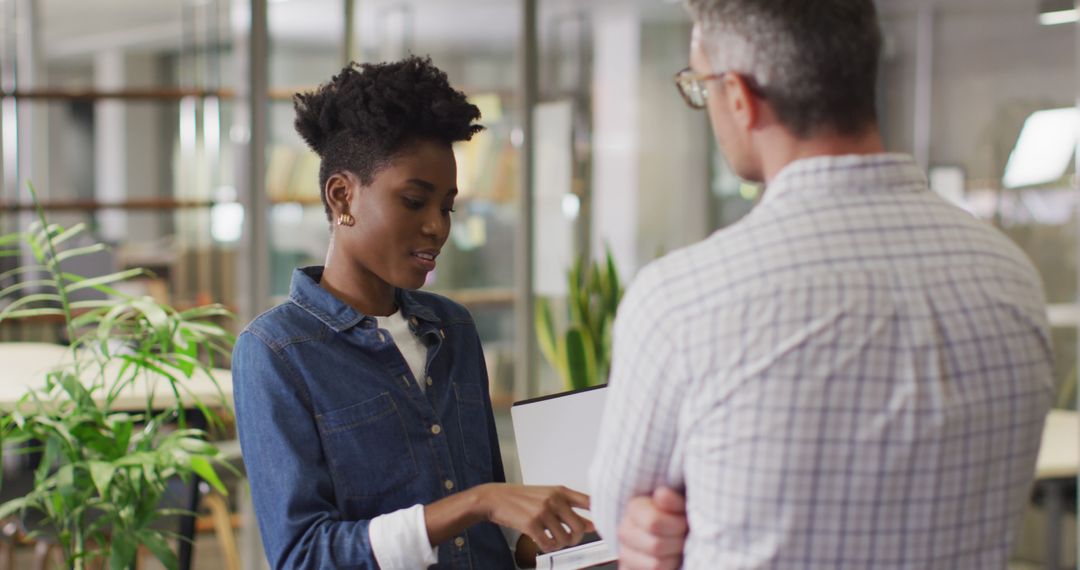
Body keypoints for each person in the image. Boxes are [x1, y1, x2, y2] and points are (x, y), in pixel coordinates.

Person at [588, 1, 1055, 568]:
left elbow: (619, 521)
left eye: (702, 87)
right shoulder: (1012, 277)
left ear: (738, 97)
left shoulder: (682, 301)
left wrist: (663, 530)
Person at [232, 56, 592, 570]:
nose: (437, 228)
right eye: (414, 201)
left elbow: (485, 530)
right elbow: (303, 556)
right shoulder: (276, 352)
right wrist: (478, 501)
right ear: (342, 197)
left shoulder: (454, 329)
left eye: (446, 206)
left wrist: (552, 539)